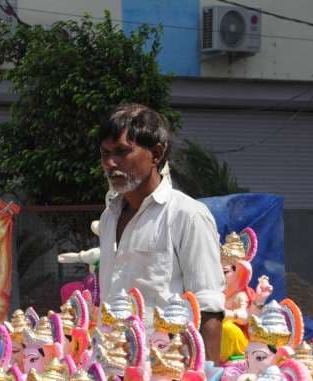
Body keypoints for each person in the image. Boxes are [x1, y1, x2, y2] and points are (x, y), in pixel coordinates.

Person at [96, 103, 225, 362]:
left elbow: (208, 306)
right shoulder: (109, 217)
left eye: (122, 152)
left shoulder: (187, 214)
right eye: (105, 153)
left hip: (167, 375)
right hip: (113, 368)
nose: (111, 163)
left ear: (156, 154)